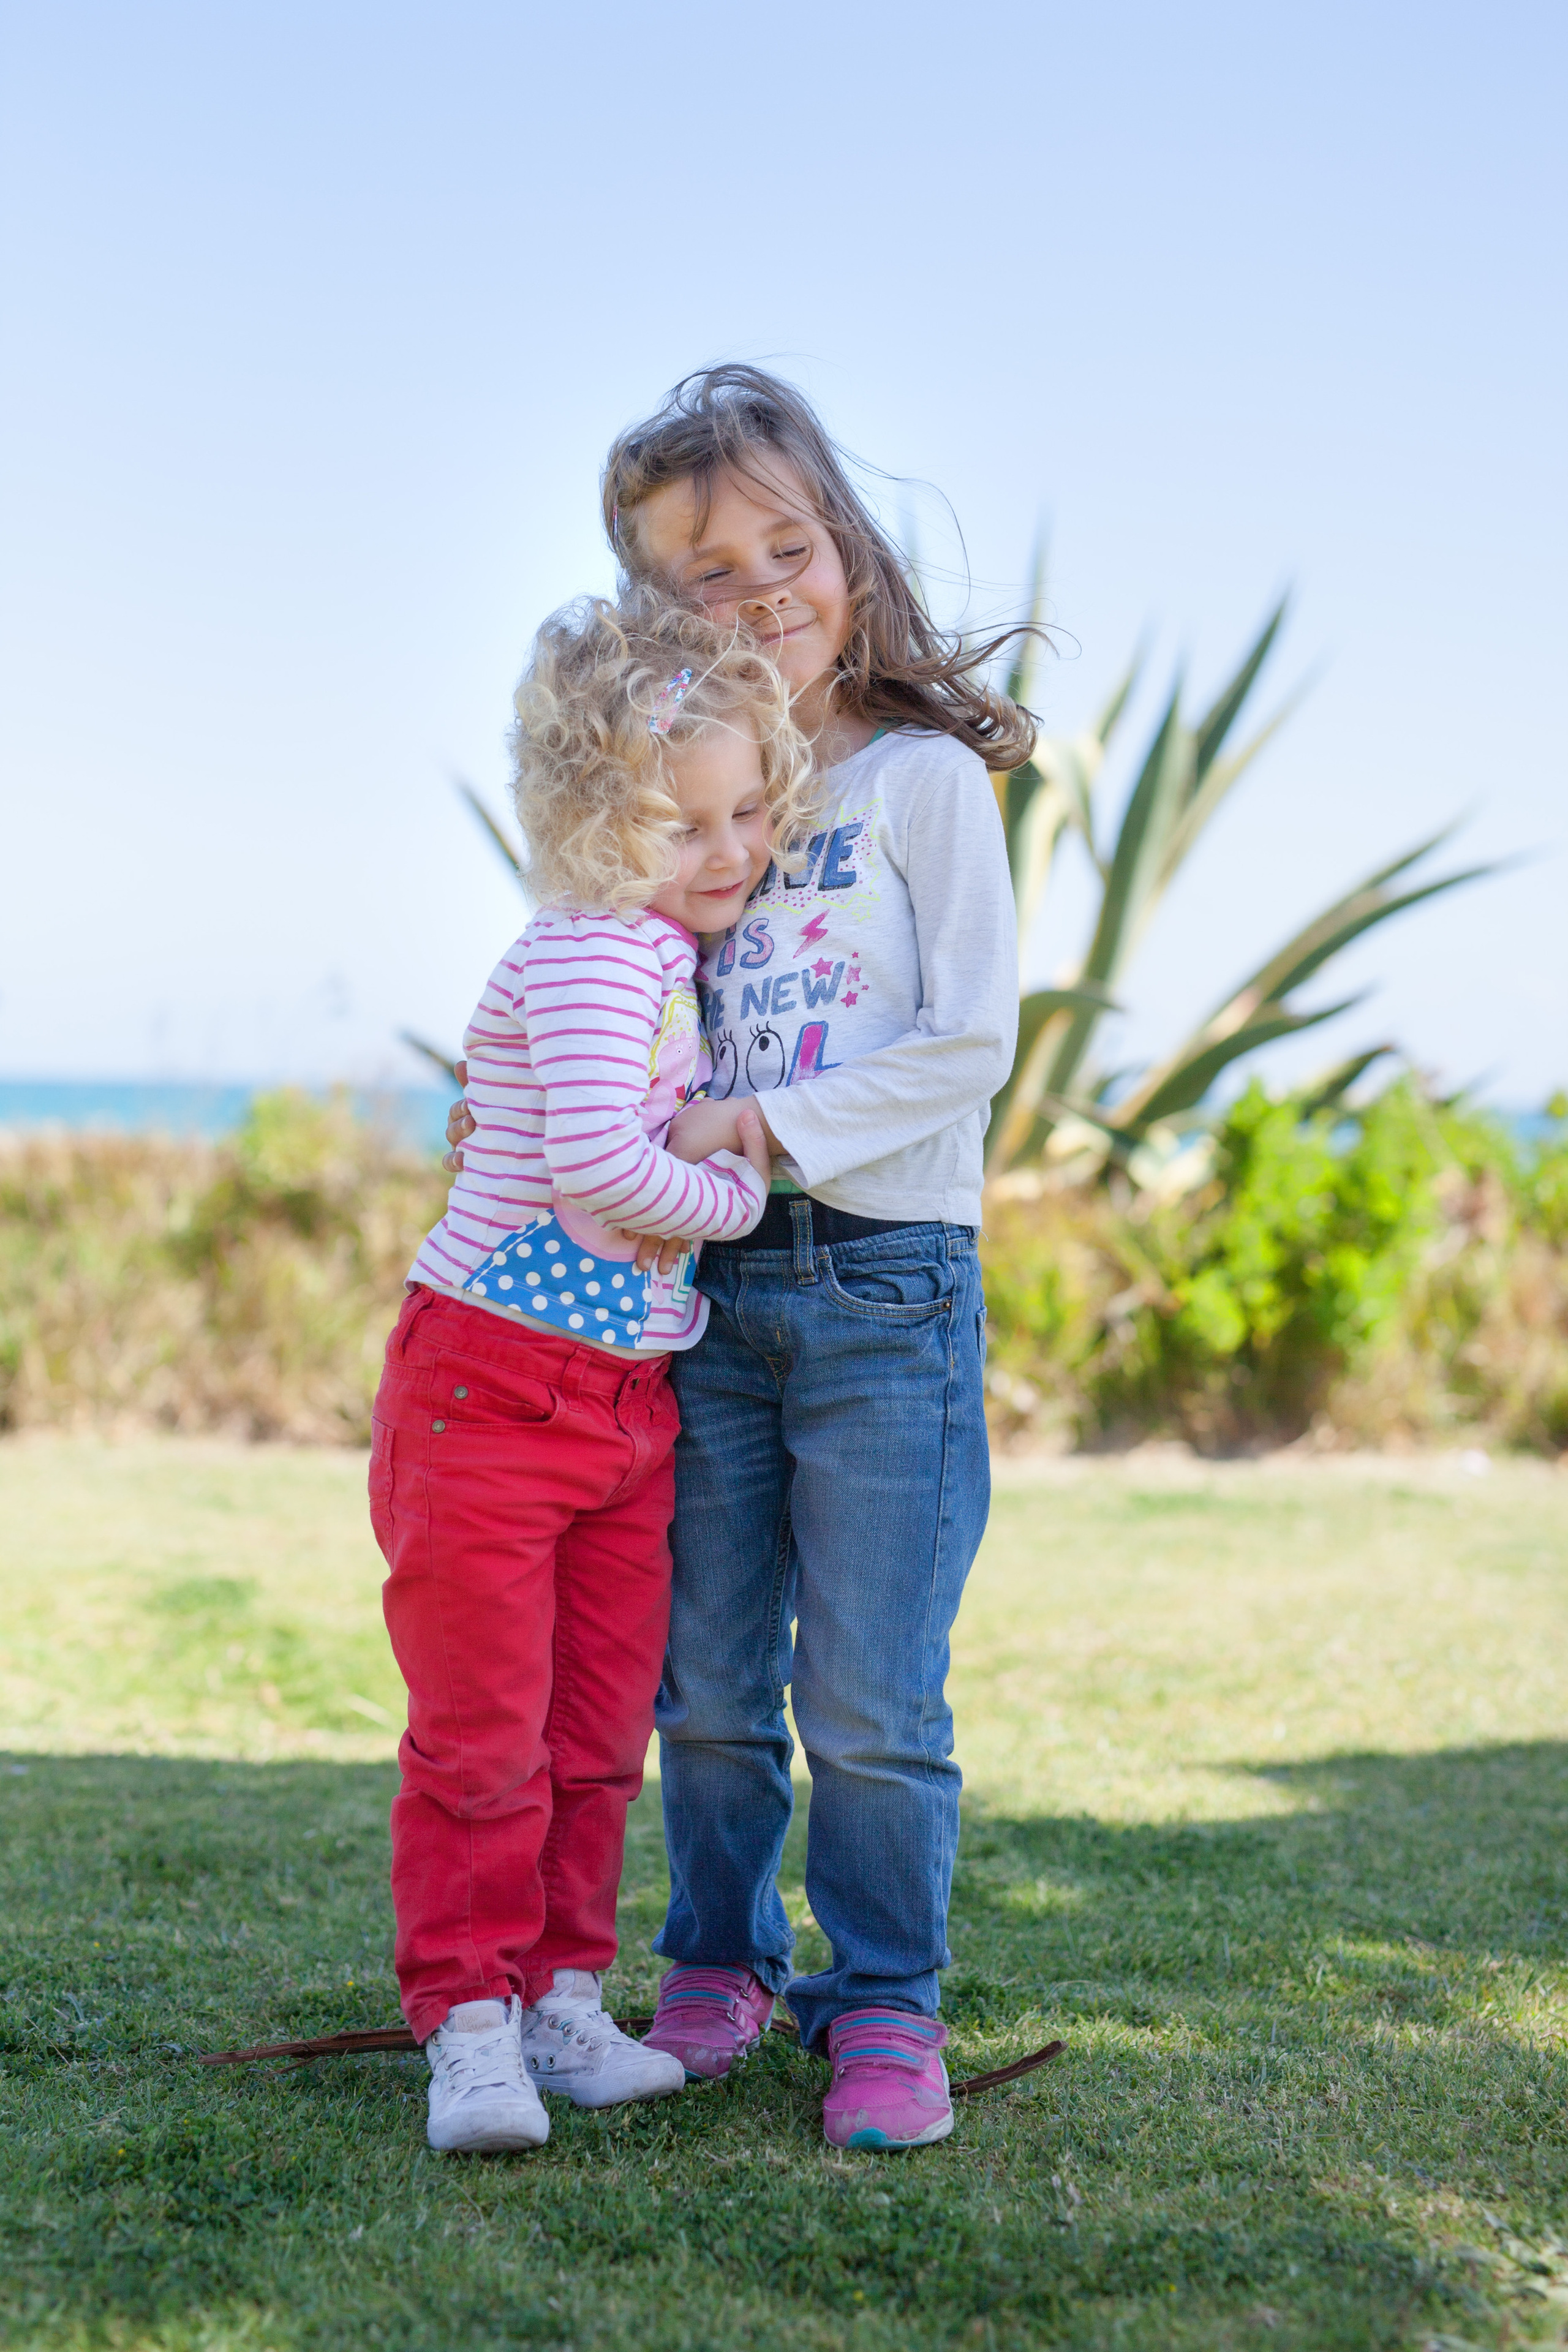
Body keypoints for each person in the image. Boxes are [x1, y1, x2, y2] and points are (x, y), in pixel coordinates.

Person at [448, 368, 1036, 2150]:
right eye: (710, 571)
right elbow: (587, 1016)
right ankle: (714, 1962)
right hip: (689, 1303)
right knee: (699, 1683)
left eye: (794, 543)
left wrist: (768, 1134)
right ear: (648, 608)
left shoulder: (922, 784)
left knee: (866, 1694)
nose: (768, 586)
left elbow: (972, 1043)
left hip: (884, 1285)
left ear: (844, 545)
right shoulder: (674, 819)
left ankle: (887, 2007)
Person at [374, 595, 812, 2154]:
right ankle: (470, 2026)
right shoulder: (590, 955)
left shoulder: (660, 958)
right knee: (482, 1737)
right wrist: (739, 1182)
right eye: (677, 818)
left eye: (748, 809)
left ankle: (561, 1997)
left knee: (588, 1736)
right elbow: (595, 1184)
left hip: (622, 1408)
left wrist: (691, 1147)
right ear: (585, 813)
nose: (726, 848)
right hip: (489, 1395)